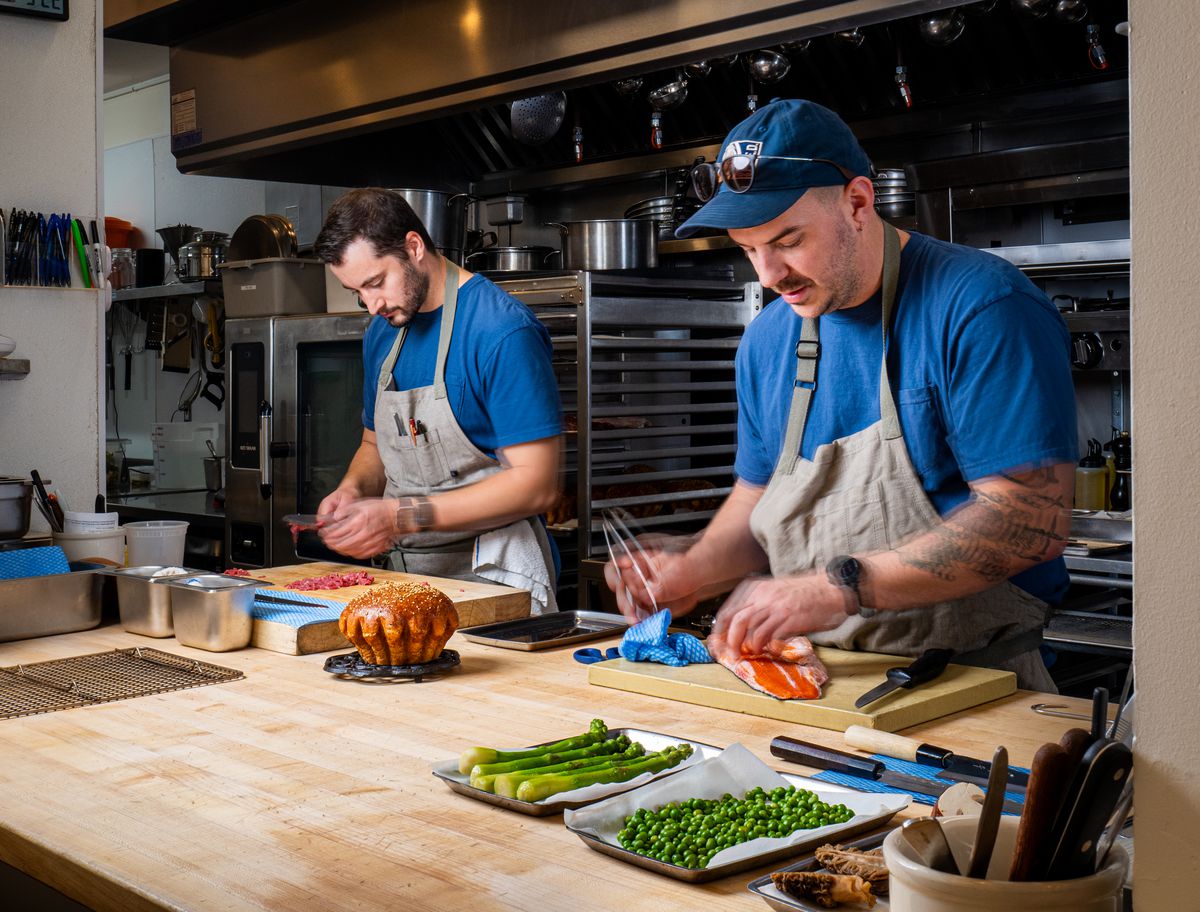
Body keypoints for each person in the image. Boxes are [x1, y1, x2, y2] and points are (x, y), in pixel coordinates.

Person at [606, 100, 1076, 691]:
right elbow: (758, 500)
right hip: (816, 684)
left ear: (857, 202)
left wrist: (838, 587)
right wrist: (692, 569)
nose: (768, 275)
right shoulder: (768, 340)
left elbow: (1031, 520)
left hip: (973, 686)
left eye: (788, 240)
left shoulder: (982, 307)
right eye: (747, 248)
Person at [313, 188, 562, 613]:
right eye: (357, 292)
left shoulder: (500, 331)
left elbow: (538, 486)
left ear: (413, 248)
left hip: (496, 581)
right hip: (405, 580)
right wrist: (354, 490)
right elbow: (375, 446)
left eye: (375, 283)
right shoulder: (382, 332)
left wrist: (396, 517)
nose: (371, 305)